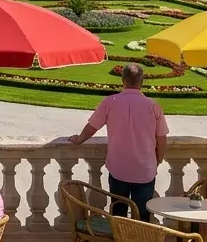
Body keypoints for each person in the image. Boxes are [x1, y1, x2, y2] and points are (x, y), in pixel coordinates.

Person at [67, 63, 168, 221]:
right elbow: (161, 138)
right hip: (145, 170)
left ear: (123, 80)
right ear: (142, 82)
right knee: (142, 218)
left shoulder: (110, 102)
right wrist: (158, 159)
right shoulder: (153, 106)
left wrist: (79, 139)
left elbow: (92, 126)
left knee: (118, 215)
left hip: (119, 169)